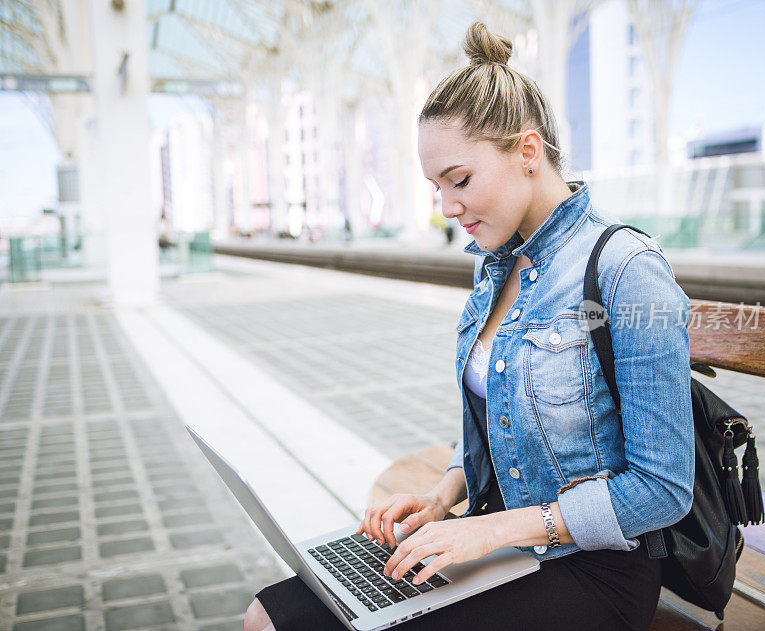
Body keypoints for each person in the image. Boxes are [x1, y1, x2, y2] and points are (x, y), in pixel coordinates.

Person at [244, 21, 694, 631]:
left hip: (595, 571)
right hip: (498, 539)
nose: (448, 207)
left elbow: (663, 489)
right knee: (270, 615)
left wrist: (492, 531)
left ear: (528, 153)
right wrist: (445, 495)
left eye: (460, 180)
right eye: (437, 187)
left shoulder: (624, 271)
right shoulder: (495, 265)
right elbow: (502, 416)